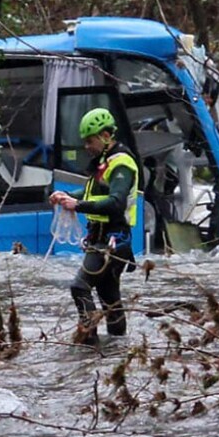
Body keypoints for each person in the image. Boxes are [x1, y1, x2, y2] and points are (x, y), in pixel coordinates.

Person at [48, 107, 139, 346]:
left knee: (79, 287)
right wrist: (66, 196)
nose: (86, 146)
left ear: (106, 136)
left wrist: (77, 205)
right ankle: (118, 348)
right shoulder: (103, 162)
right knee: (110, 299)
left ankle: (88, 342)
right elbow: (92, 193)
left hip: (113, 241)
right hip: (103, 240)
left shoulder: (121, 164)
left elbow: (116, 202)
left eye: (90, 141)